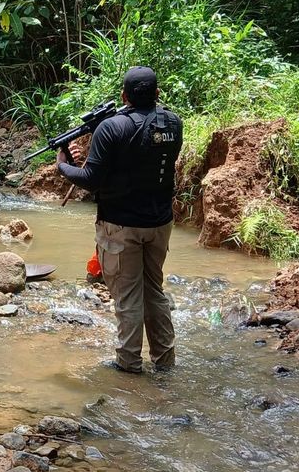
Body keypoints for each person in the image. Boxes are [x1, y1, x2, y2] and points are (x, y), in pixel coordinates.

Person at [57, 66, 183, 373]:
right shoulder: (174, 123)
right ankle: (165, 361)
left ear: (124, 96)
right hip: (160, 224)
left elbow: (91, 179)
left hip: (121, 225)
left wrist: (62, 165)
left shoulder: (111, 128)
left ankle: (128, 365)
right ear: (157, 93)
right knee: (153, 290)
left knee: (128, 297)